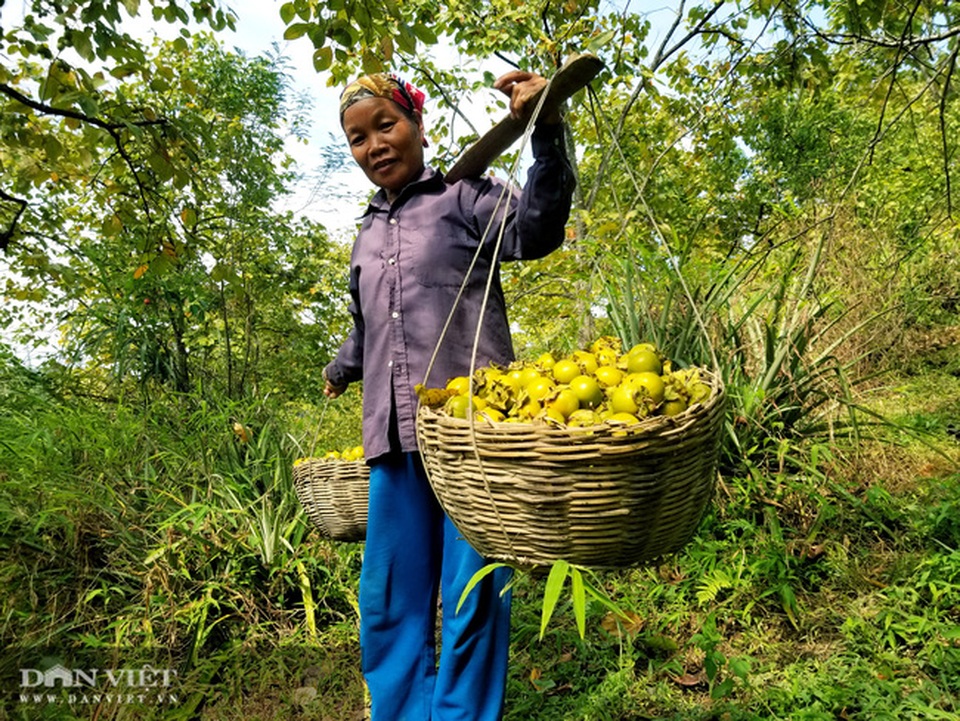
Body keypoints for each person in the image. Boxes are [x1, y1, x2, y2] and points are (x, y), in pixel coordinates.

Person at [322, 68, 575, 721]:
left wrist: (545, 130)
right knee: (388, 600)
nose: (374, 144)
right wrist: (342, 367)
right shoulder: (364, 236)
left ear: (417, 126)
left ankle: (462, 715)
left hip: (472, 435)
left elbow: (538, 228)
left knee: (471, 596)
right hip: (393, 438)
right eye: (357, 137)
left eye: (385, 124)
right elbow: (365, 323)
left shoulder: (465, 198)